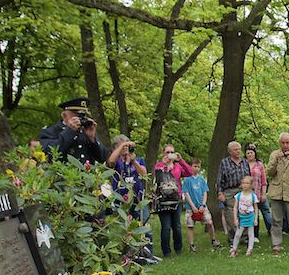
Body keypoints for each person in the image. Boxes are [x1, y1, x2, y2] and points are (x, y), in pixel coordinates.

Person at [108, 134, 155, 263]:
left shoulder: (138, 160)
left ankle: (147, 253)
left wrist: (132, 160)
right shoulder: (116, 161)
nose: (126, 148)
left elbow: (144, 173)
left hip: (138, 200)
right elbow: (110, 162)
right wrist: (122, 147)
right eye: (123, 145)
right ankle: (127, 256)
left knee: (144, 225)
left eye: (127, 145)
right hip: (122, 202)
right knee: (124, 228)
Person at [39, 97, 107, 163]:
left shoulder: (86, 131)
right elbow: (48, 154)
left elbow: (103, 158)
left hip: (87, 174)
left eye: (83, 115)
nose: (80, 118)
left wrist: (92, 139)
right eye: (77, 114)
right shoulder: (51, 131)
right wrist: (69, 131)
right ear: (64, 116)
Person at [153, 145, 193, 256]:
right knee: (166, 227)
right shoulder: (159, 165)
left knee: (177, 226)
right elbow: (158, 177)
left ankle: (178, 249)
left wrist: (181, 160)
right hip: (163, 199)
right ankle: (166, 251)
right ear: (163, 153)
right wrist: (165, 165)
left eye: (172, 152)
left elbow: (190, 172)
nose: (169, 154)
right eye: (167, 152)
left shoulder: (178, 166)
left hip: (176, 199)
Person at [215, 141, 252, 244]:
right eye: (235, 149)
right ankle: (237, 236)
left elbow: (249, 176)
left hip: (243, 190)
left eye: (239, 149)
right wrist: (220, 193)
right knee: (231, 214)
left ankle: (241, 238)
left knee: (244, 212)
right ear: (230, 151)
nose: (238, 151)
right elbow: (219, 179)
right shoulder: (224, 162)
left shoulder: (245, 162)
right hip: (229, 191)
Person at [183, 158, 220, 252]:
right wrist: (193, 206)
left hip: (202, 207)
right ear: (190, 167)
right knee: (190, 226)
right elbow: (186, 194)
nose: (196, 168)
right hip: (190, 208)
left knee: (209, 222)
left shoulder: (202, 179)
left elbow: (205, 192)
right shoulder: (187, 180)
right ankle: (191, 245)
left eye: (198, 167)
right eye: (194, 166)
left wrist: (203, 205)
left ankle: (214, 240)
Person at [244, 145, 272, 240]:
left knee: (266, 212)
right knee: (252, 214)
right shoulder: (243, 164)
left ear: (255, 154)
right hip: (248, 195)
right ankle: (255, 235)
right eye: (248, 153)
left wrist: (264, 194)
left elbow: (264, 181)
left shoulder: (259, 164)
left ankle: (272, 231)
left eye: (251, 152)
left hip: (259, 193)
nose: (250, 154)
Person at [230, 175, 259, 257]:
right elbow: (235, 207)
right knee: (238, 234)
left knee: (250, 234)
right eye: (243, 183)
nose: (245, 185)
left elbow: (256, 208)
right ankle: (234, 249)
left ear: (251, 185)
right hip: (241, 217)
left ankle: (250, 249)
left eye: (247, 183)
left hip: (250, 217)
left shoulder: (253, 196)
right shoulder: (238, 195)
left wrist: (255, 219)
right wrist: (235, 218)